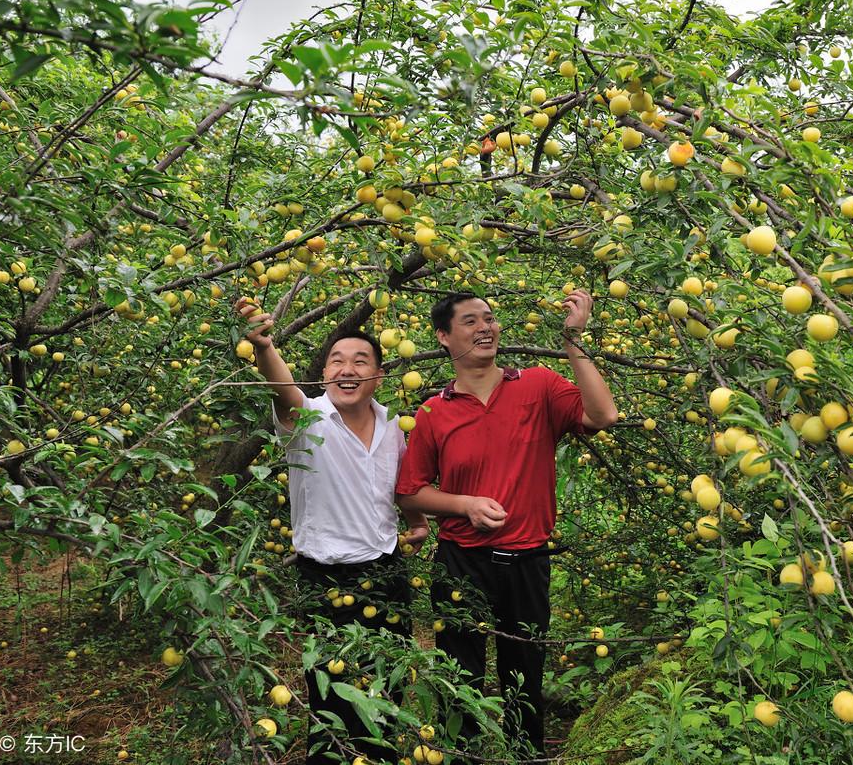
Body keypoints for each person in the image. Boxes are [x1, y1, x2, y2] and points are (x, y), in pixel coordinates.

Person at [395, 289, 618, 759]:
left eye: (490, 319)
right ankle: (465, 755)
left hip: (527, 560)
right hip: (461, 563)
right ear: (443, 336)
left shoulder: (537, 385)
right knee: (459, 677)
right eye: (470, 321)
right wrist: (464, 504)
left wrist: (574, 340)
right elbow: (410, 492)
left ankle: (524, 755)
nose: (485, 328)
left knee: (525, 674)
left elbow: (603, 414)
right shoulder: (433, 412)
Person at [235, 297, 429, 765]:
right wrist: (264, 348)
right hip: (325, 579)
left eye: (360, 360)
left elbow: (395, 488)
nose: (347, 368)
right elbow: (284, 388)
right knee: (331, 698)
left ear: (379, 376)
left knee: (387, 684)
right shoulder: (307, 419)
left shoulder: (395, 425)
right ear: (324, 375)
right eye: (336, 361)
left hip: (387, 572)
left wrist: (417, 522)